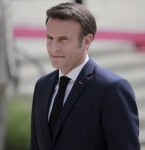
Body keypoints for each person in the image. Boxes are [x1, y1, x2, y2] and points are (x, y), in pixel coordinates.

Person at [31, 2, 140, 150]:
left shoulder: (112, 89)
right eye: (50, 38)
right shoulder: (42, 86)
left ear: (86, 41)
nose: (53, 47)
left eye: (63, 39)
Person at [0, 0, 17, 149]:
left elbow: (8, 40)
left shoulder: (6, 4)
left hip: (6, 71)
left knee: (1, 121)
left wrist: (13, 69)